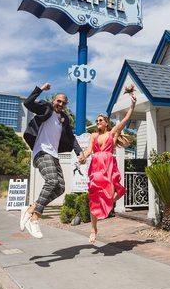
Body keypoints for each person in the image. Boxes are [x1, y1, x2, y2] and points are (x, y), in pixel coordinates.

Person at [20, 83, 84, 239]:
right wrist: (41, 89)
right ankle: (34, 219)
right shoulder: (46, 108)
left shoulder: (64, 119)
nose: (60, 104)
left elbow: (71, 137)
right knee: (52, 181)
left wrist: (79, 151)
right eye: (58, 101)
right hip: (41, 152)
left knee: (60, 187)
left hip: (54, 155)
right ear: (54, 100)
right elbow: (28, 103)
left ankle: (30, 209)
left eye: (63, 103)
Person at [79, 90, 136, 244]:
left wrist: (132, 106)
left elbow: (125, 120)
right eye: (96, 121)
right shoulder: (94, 136)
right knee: (94, 199)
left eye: (100, 120)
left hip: (109, 166)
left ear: (106, 123)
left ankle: (109, 203)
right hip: (96, 168)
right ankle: (93, 229)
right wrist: (83, 156)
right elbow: (89, 150)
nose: (97, 123)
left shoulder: (112, 133)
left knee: (118, 191)